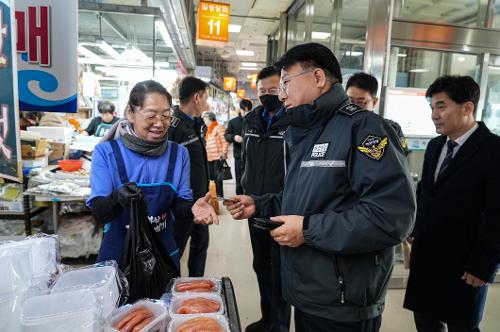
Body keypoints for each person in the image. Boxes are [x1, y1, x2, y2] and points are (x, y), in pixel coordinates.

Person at [225, 43, 416, 332]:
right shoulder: (305, 132)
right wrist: (260, 203)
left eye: (286, 82)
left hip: (343, 302)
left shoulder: (365, 129)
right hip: (309, 290)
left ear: (317, 78)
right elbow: (307, 201)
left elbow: (391, 217)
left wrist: (308, 230)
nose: (282, 93)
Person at [404, 75, 500, 332]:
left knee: (462, 326)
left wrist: (484, 266)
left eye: (442, 106)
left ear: (467, 108)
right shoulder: (435, 146)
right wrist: (415, 231)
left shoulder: (494, 150)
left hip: (466, 264)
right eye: (432, 108)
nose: (434, 115)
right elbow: (426, 192)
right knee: (426, 322)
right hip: (427, 257)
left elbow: (497, 215)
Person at [87, 80, 217, 268]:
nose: (159, 123)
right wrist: (116, 199)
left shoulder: (178, 154)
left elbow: (180, 206)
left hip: (163, 258)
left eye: (166, 116)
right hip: (118, 258)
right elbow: (101, 212)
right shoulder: (106, 153)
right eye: (151, 116)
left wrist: (192, 208)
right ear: (130, 113)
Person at [238, 66, 291, 332]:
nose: (266, 96)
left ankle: (280, 325)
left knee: (280, 270)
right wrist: (242, 189)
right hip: (253, 206)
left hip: (282, 208)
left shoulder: (293, 121)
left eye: (272, 90)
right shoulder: (251, 120)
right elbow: (244, 159)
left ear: (282, 90)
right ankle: (267, 319)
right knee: (261, 265)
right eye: (262, 92)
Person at [168, 76, 210, 277]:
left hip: (201, 201)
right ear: (196, 97)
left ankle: (196, 289)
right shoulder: (174, 127)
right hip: (182, 205)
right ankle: (169, 294)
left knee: (200, 246)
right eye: (206, 97)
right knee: (176, 250)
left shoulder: (196, 124)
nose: (207, 103)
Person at [346, 72, 409, 155]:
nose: (354, 107)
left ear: (374, 102)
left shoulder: (391, 128)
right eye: (349, 101)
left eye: (361, 102)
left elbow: (401, 159)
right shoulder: (336, 125)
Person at [224, 98, 252, 195]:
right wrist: (234, 137)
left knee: (251, 180)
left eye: (248, 110)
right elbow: (226, 136)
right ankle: (239, 200)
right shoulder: (233, 122)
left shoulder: (254, 121)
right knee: (239, 180)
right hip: (239, 156)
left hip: (252, 156)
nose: (246, 112)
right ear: (240, 109)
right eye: (244, 110)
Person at [202, 111, 228, 197]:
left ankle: (220, 197)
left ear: (209, 118)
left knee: (218, 179)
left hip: (218, 158)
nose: (204, 121)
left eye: (205, 118)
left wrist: (223, 154)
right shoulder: (207, 129)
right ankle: (213, 197)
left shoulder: (219, 127)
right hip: (209, 158)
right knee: (211, 180)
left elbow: (225, 141)